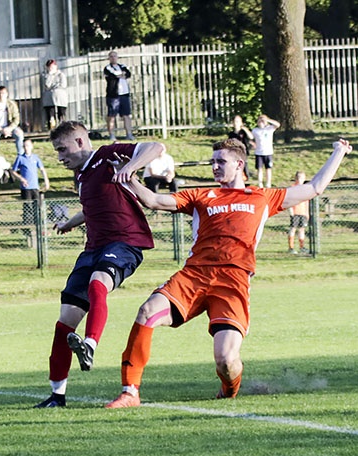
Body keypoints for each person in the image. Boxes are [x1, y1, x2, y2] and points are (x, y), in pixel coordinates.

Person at [106, 138, 352, 409]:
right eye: (212, 161)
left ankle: (228, 391)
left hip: (232, 281)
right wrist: (128, 176)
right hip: (194, 276)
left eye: (220, 162)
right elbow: (153, 200)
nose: (214, 167)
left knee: (225, 360)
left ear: (239, 164)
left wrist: (338, 152)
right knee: (147, 312)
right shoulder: (200, 195)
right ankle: (130, 392)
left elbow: (315, 187)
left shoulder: (263, 196)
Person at [37, 121, 165, 408]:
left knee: (99, 282)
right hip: (93, 249)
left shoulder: (108, 155)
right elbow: (92, 207)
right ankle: (57, 397)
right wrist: (69, 222)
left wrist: (130, 167)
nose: (59, 157)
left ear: (81, 142)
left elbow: (156, 147)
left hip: (125, 243)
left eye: (62, 149)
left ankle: (91, 344)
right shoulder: (82, 177)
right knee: (64, 323)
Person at [0, 86, 24, 158]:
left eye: (3, 93)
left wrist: (9, 128)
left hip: (10, 127)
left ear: (7, 94)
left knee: (19, 134)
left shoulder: (12, 104)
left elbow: (16, 118)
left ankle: (21, 157)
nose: (1, 95)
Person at [104, 51, 133, 141]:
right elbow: (113, 75)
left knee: (126, 115)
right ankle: (112, 134)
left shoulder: (122, 66)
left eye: (115, 56)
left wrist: (122, 74)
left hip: (124, 94)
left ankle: (129, 134)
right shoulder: (107, 68)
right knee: (112, 115)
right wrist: (121, 75)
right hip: (113, 95)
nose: (113, 58)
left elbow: (128, 74)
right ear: (109, 58)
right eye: (111, 56)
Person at [252, 114, 280, 188]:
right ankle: (260, 183)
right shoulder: (255, 130)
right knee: (259, 169)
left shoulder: (269, 128)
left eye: (262, 121)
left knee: (268, 168)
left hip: (268, 152)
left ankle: (268, 183)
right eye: (259, 120)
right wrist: (252, 143)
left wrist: (267, 120)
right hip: (259, 152)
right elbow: (251, 138)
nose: (261, 122)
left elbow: (278, 125)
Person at [41, 59, 68, 130]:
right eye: (49, 67)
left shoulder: (61, 75)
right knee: (50, 116)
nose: (51, 68)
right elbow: (46, 85)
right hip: (49, 99)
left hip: (60, 98)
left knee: (61, 115)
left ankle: (63, 130)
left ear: (56, 66)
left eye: (52, 66)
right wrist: (50, 76)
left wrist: (53, 87)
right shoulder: (45, 76)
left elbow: (63, 85)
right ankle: (52, 131)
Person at [287, 170, 310, 254]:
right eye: (299, 177)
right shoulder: (293, 188)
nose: (301, 179)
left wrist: (307, 213)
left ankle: (302, 246)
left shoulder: (305, 189)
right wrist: (291, 210)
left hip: (303, 212)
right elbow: (289, 200)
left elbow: (306, 202)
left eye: (302, 178)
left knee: (301, 229)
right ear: (296, 178)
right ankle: (291, 247)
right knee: (293, 228)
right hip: (295, 212)